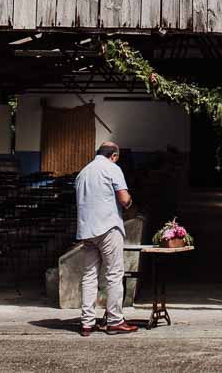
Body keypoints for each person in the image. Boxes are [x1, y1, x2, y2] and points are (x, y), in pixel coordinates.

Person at [76, 141, 138, 336]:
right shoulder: (112, 168)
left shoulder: (82, 173)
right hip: (108, 227)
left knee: (89, 276)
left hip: (87, 230)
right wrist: (129, 204)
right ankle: (114, 320)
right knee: (114, 274)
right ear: (114, 155)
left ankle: (87, 323)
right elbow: (124, 198)